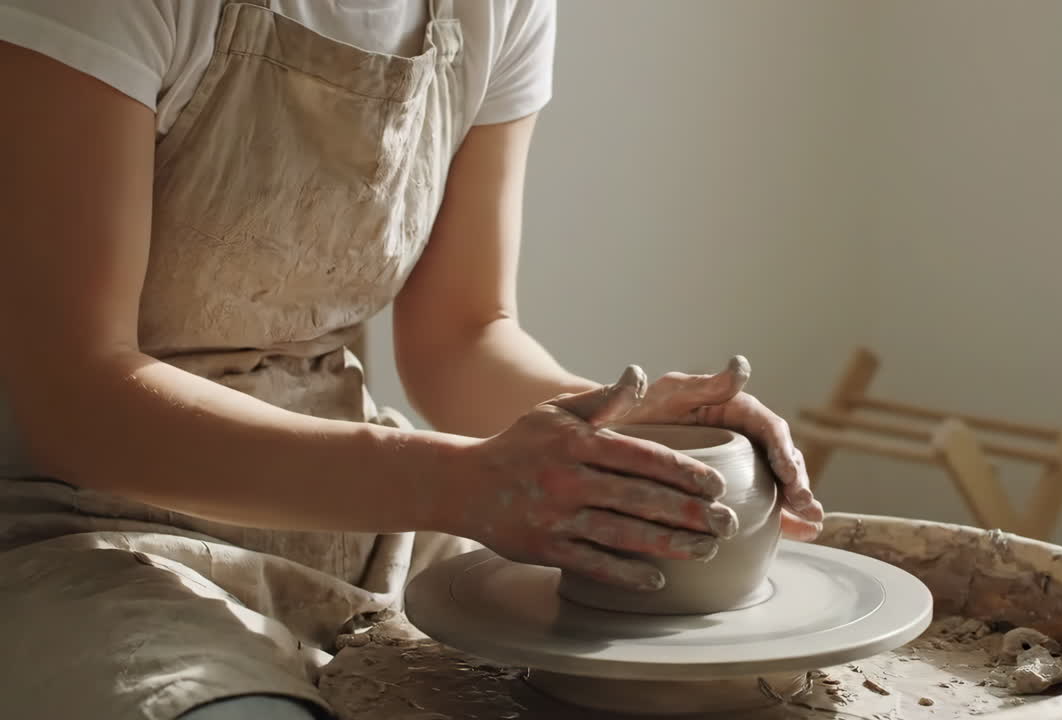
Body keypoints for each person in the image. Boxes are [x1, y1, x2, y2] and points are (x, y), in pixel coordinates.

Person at [0, 1, 825, 718]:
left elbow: (462, 338)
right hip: (71, 529)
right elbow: (74, 395)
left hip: (360, 517)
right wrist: (455, 484)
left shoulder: (494, 8)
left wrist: (614, 433)